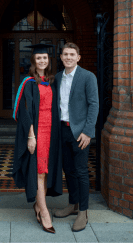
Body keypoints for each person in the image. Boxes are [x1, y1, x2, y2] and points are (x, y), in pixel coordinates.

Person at [12, 43, 62, 234]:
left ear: (49, 61)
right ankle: (44, 212)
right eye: (38, 58)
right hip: (38, 132)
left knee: (47, 171)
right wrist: (31, 136)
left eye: (45, 58)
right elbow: (25, 111)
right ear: (33, 60)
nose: (42, 60)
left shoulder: (51, 81)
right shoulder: (28, 82)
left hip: (53, 131)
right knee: (40, 172)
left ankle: (38, 207)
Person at [53, 42, 99, 232]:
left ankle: (83, 212)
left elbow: (94, 105)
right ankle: (73, 205)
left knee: (81, 171)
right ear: (61, 57)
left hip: (80, 132)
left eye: (72, 54)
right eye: (65, 54)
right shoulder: (57, 77)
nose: (68, 57)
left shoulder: (88, 77)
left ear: (78, 57)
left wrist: (88, 132)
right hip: (62, 130)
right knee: (69, 170)